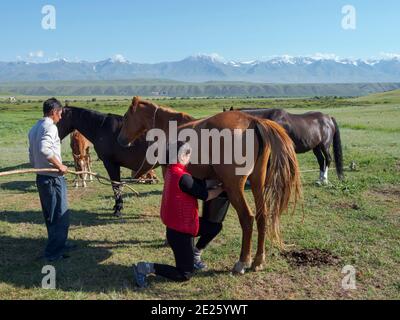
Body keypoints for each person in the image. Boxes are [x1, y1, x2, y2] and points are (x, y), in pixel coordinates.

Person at [132, 142, 225, 287]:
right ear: (182, 156)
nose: (190, 157)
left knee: (214, 227)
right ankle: (145, 268)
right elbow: (205, 195)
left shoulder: (172, 171)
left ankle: (195, 253)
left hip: (183, 224)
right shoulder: (182, 177)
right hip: (181, 232)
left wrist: (215, 181)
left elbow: (196, 183)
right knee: (185, 274)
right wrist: (223, 188)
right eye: (188, 154)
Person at [28, 98, 75, 262]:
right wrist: (60, 166)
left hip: (41, 177)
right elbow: (44, 149)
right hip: (52, 178)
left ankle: (59, 244)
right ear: (54, 112)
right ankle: (53, 253)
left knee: (51, 214)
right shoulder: (51, 127)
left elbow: (32, 154)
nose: (60, 118)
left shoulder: (35, 128)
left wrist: (38, 166)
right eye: (60, 114)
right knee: (60, 215)